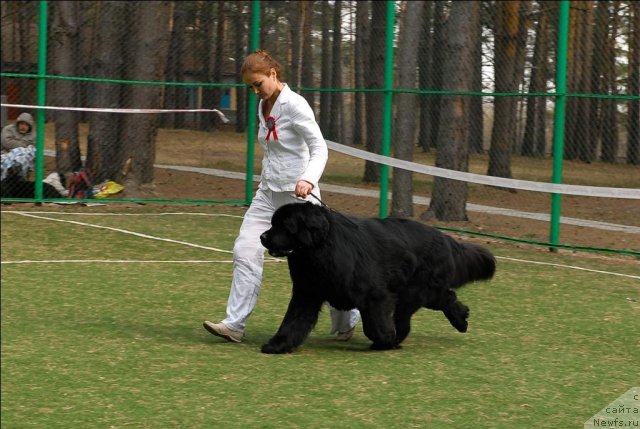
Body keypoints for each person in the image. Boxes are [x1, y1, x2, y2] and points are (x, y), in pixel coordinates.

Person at [203, 49, 360, 343]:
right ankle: (234, 324)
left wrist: (308, 179)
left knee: (325, 264)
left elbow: (319, 148)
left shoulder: (296, 106)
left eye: (258, 84)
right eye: (250, 87)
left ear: (273, 75)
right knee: (245, 250)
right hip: (267, 195)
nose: (254, 91)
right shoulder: (264, 104)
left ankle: (347, 320)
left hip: (299, 201)